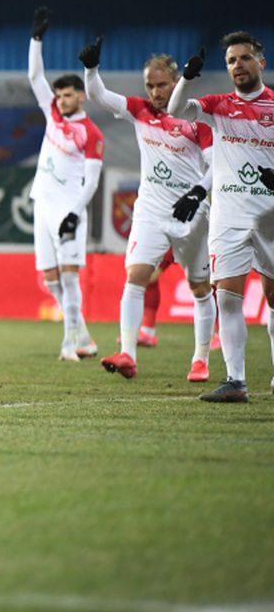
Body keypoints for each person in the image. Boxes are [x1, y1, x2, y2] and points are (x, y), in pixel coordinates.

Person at [81, 38, 216, 382]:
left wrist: (198, 193)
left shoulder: (197, 121)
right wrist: (91, 69)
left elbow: (217, 165)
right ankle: (128, 353)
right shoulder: (140, 110)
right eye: (150, 86)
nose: (155, 92)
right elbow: (99, 95)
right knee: (136, 277)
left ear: (176, 82)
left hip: (191, 214)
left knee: (200, 288)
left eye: (162, 85)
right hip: (151, 212)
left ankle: (200, 359)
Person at [168, 31, 274, 402]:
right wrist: (186, 77)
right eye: (231, 60)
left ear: (261, 63)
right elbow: (175, 111)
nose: (237, 65)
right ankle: (236, 381)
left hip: (270, 215)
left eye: (244, 58)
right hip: (228, 215)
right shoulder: (219, 105)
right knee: (227, 298)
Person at [27, 8, 104, 362]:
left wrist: (74, 213)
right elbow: (34, 76)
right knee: (51, 278)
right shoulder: (53, 115)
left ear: (81, 96)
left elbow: (93, 180)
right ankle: (82, 336)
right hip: (42, 204)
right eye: (58, 95)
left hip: (68, 208)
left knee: (70, 277)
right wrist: (36, 39)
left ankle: (69, 343)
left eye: (68, 95)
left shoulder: (91, 133)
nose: (61, 100)